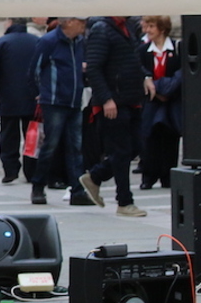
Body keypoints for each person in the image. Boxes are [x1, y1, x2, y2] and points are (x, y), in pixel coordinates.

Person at [81, 16, 147, 217]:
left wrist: (146, 76)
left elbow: (131, 59)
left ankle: (95, 176)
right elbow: (94, 67)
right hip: (113, 102)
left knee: (135, 147)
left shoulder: (126, 27)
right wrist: (106, 98)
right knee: (120, 151)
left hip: (130, 98)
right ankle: (124, 202)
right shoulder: (102, 29)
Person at [28, 18, 94, 206]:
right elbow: (35, 69)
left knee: (75, 147)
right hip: (54, 100)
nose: (83, 25)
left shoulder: (79, 42)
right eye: (80, 22)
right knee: (51, 144)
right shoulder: (49, 41)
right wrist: (39, 94)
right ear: (69, 22)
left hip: (74, 100)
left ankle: (77, 189)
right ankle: (38, 185)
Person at [0, 19, 40, 185]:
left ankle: (10, 169)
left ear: (8, 23)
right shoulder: (37, 41)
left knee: (8, 135)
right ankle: (31, 170)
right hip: (33, 96)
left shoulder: (0, 42)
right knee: (31, 135)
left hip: (8, 96)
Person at [137, 16, 182, 191]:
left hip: (172, 100)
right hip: (151, 100)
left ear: (162, 28)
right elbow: (139, 70)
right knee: (149, 137)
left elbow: (182, 73)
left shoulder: (177, 49)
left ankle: (167, 175)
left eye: (151, 26)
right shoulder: (143, 51)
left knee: (170, 137)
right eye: (146, 26)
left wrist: (166, 89)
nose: (147, 30)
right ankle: (149, 175)